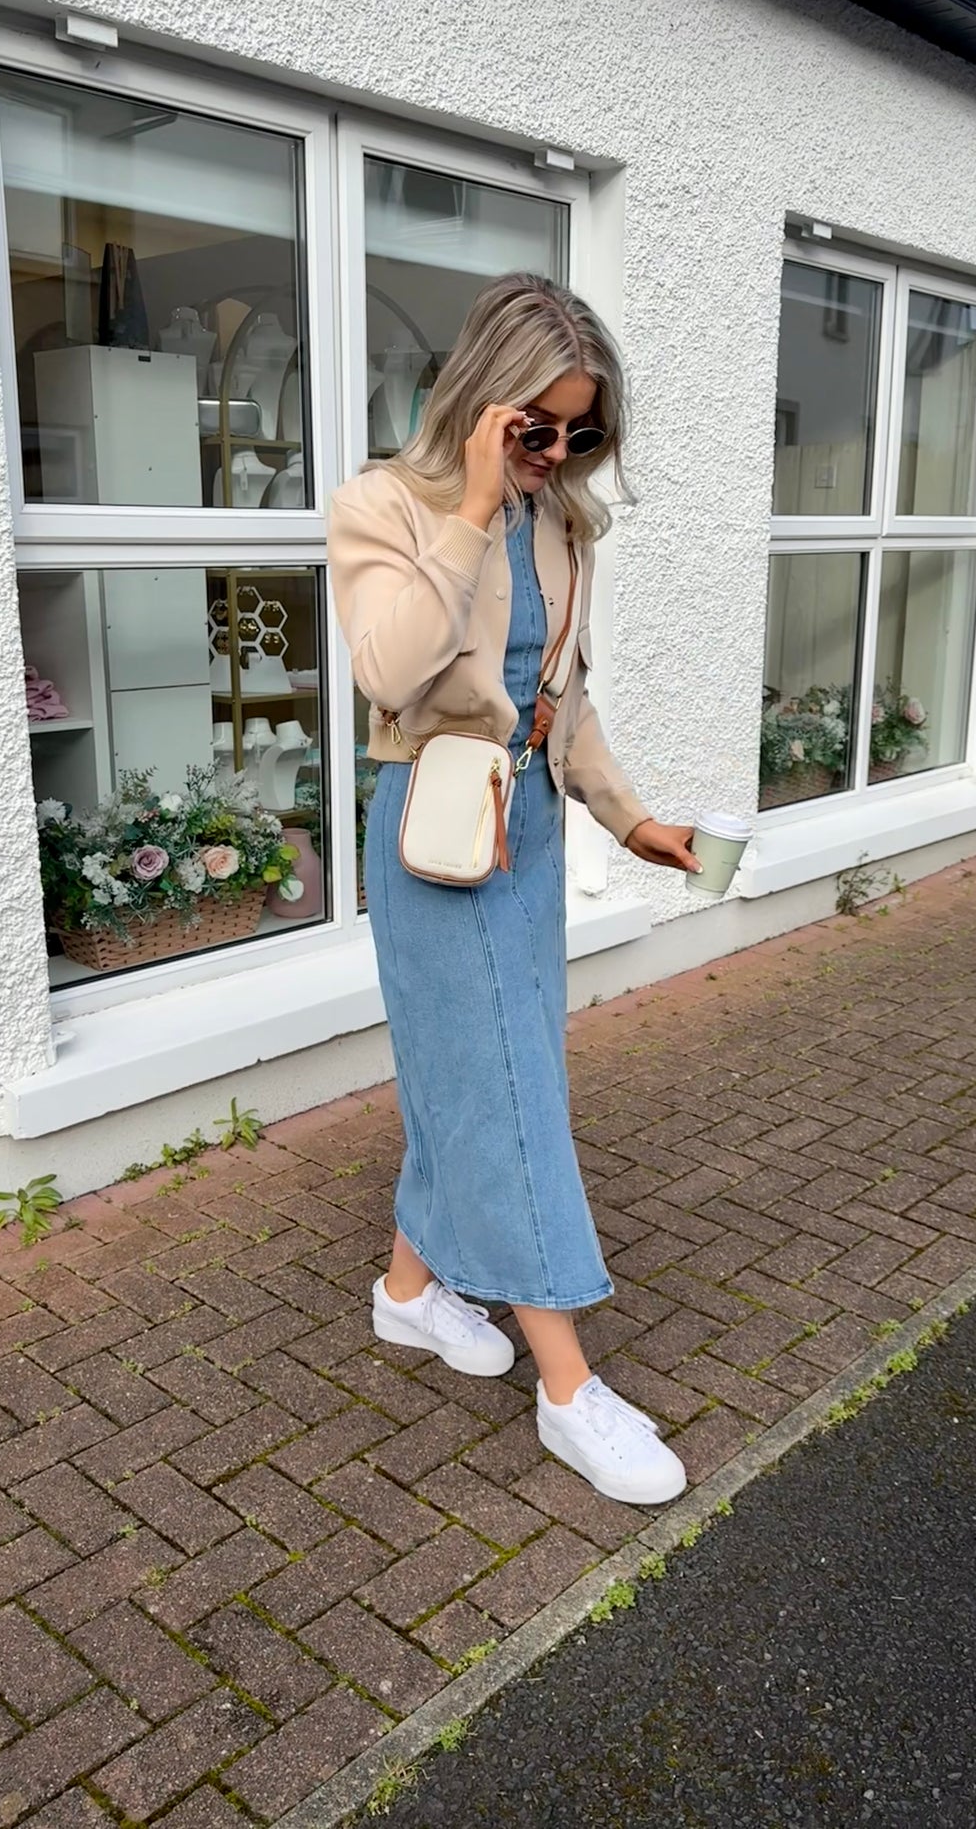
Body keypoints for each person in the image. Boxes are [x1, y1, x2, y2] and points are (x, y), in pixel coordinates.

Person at [328, 273, 698, 1504]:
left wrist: (629, 817)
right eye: (537, 428)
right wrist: (473, 509)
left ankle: (407, 1293)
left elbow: (561, 702)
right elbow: (386, 670)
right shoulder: (384, 504)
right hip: (434, 831)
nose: (555, 455)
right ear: (483, 402)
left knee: (475, 1070)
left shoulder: (563, 527)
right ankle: (568, 1390)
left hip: (524, 825)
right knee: (512, 1093)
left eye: (579, 434)